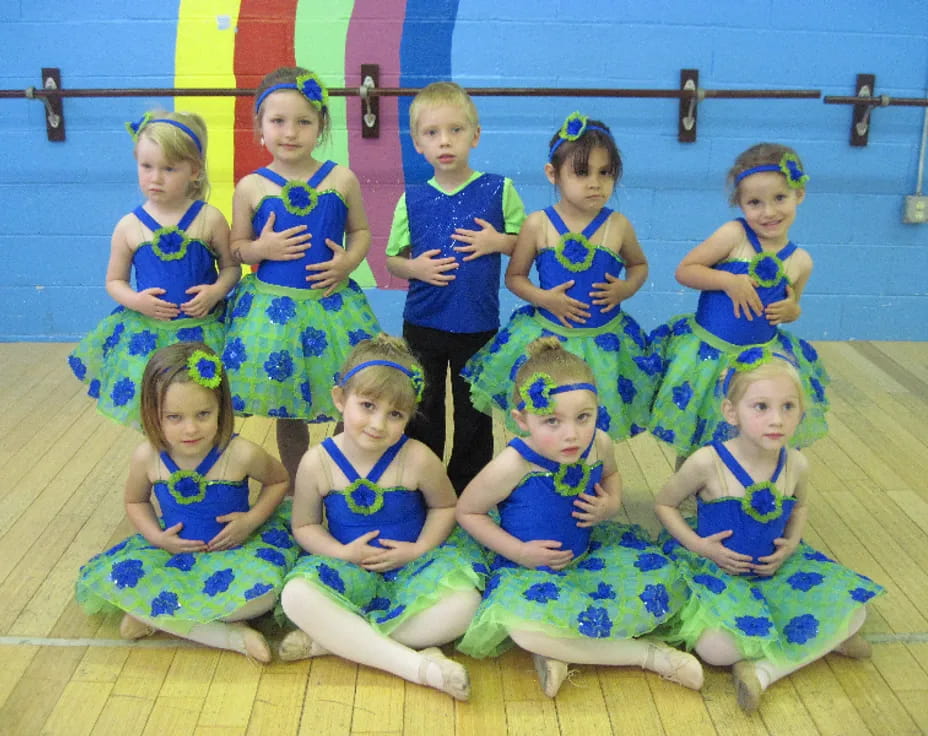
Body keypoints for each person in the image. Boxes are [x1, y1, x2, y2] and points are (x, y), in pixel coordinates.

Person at [456, 338, 702, 698]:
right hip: (527, 568)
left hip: (585, 558)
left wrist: (610, 504)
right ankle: (647, 656)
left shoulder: (599, 443)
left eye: (583, 417)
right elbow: (468, 511)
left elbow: (611, 475)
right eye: (551, 421)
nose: (571, 434)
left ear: (596, 410)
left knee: (656, 587)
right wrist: (520, 552)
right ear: (521, 420)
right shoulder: (513, 464)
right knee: (521, 627)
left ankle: (557, 651)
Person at [654, 352, 884, 712]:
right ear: (732, 412)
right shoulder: (707, 461)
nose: (776, 419)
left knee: (858, 610)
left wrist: (791, 543)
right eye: (760, 406)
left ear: (800, 413)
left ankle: (763, 671)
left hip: (775, 568)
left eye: (788, 407)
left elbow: (801, 506)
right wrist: (701, 546)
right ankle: (821, 642)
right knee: (716, 650)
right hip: (716, 569)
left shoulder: (796, 464)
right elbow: (664, 504)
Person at [278, 334, 486, 700]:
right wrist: (342, 554)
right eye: (368, 405)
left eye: (395, 414)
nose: (378, 424)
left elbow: (445, 507)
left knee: (466, 603)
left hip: (417, 565)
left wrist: (418, 548)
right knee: (295, 595)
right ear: (340, 399)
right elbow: (304, 525)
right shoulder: (317, 462)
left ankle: (336, 640)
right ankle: (419, 666)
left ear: (410, 416)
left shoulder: (417, 457)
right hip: (349, 566)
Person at [75, 342, 299, 662]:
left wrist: (250, 521)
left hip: (236, 550)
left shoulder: (241, 453)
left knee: (263, 596)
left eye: (203, 414)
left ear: (221, 408)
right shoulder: (147, 457)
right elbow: (135, 501)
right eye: (174, 417)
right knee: (117, 581)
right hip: (175, 554)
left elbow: (279, 481)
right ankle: (233, 635)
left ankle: (164, 615)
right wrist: (156, 537)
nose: (191, 428)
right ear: (153, 414)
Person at [223, 66, 381, 484]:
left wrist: (348, 262)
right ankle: (296, 480)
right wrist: (262, 250)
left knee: (350, 394)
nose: (290, 132)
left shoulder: (341, 178)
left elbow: (361, 231)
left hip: (332, 307)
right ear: (260, 126)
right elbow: (236, 247)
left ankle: (341, 472)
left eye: (303, 122)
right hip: (274, 313)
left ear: (321, 126)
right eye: (278, 121)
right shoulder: (250, 186)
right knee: (287, 403)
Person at [463, 112, 655, 444]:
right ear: (553, 174)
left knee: (594, 422)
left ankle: (591, 474)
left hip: (604, 342)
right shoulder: (538, 224)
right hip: (548, 339)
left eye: (605, 172)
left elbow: (639, 266)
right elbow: (516, 277)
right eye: (581, 172)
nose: (595, 182)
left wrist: (626, 287)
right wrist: (545, 298)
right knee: (545, 416)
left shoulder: (618, 225)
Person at [649, 143, 829, 465]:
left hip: (762, 360)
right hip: (710, 354)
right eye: (755, 202)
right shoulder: (734, 235)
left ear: (799, 194)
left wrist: (792, 311)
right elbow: (685, 270)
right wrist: (728, 281)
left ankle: (743, 486)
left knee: (753, 428)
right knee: (701, 428)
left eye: (779, 198)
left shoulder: (801, 261)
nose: (769, 212)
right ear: (740, 203)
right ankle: (690, 489)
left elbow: (793, 305)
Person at [385, 81, 526, 493]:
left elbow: (525, 240)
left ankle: (468, 489)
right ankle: (424, 485)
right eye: (432, 133)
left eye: (455, 130)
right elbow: (392, 258)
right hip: (423, 322)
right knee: (423, 408)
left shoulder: (499, 190)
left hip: (477, 324)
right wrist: (415, 268)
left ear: (475, 135)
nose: (444, 141)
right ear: (417, 144)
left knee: (473, 412)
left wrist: (496, 242)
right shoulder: (411, 198)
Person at [68, 111, 238, 428]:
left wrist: (215, 291)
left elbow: (232, 268)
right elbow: (114, 281)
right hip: (149, 334)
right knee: (160, 406)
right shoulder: (129, 226)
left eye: (168, 168)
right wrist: (137, 301)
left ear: (194, 171)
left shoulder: (209, 219)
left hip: (205, 331)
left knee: (207, 402)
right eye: (146, 166)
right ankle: (163, 461)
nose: (154, 178)